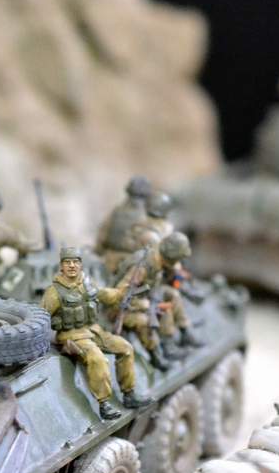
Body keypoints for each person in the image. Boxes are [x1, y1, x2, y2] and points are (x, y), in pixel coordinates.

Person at [39, 247, 153, 421]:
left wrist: (123, 292)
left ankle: (129, 394)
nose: (72, 266)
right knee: (97, 359)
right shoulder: (54, 292)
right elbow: (41, 316)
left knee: (125, 348)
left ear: (80, 264)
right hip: (72, 335)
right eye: (67, 262)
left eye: (75, 262)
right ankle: (104, 403)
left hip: (94, 330)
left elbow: (106, 295)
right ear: (61, 266)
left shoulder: (87, 283)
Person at [114, 232, 203, 370]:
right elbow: (119, 294)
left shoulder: (159, 256)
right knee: (145, 321)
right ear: (171, 256)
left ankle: (176, 338)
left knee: (172, 295)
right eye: (178, 258)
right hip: (120, 308)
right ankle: (156, 355)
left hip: (144, 296)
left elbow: (165, 278)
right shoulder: (142, 267)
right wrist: (146, 305)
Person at [96, 175, 151, 274]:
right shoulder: (147, 216)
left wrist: (98, 252)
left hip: (110, 258)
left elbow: (103, 235)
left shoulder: (117, 211)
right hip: (133, 263)